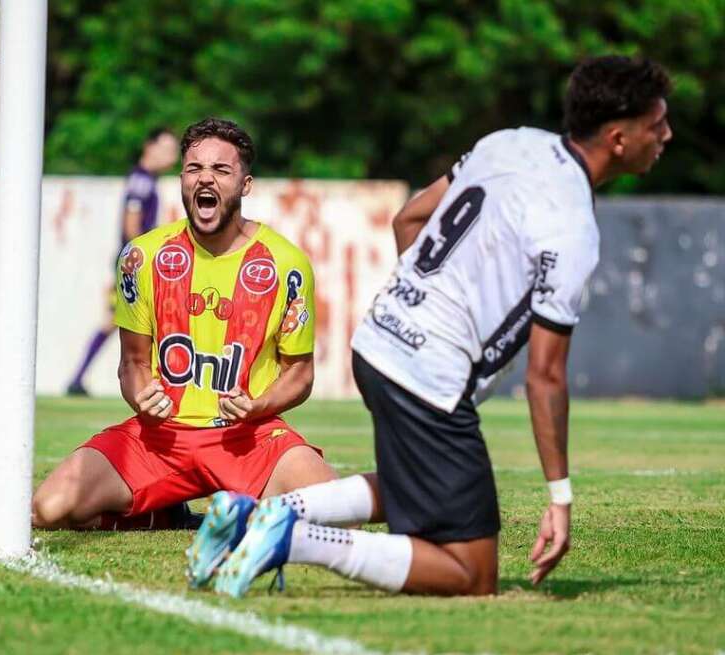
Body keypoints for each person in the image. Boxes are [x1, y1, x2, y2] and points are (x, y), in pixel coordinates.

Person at [196, 56, 673, 596]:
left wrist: (415, 309)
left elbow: (409, 218)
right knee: (471, 572)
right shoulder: (573, 229)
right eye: (657, 124)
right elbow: (546, 378)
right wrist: (559, 496)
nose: (666, 135)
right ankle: (290, 538)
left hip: (377, 341)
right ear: (617, 137)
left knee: (411, 485)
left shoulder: (508, 142)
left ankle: (252, 515)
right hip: (427, 376)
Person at [34, 117, 337, 539]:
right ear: (182, 178)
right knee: (50, 508)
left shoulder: (287, 264)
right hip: (161, 438)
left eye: (221, 170)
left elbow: (300, 373)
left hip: (249, 436)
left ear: (245, 185)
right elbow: (133, 363)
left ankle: (246, 508)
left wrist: (258, 406)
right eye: (194, 169)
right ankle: (166, 513)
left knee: (337, 513)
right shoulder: (142, 257)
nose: (205, 178)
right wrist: (141, 396)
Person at [66, 127, 180, 396]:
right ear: (149, 147)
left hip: (130, 262)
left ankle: (79, 379)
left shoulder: (145, 179)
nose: (172, 157)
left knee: (119, 320)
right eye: (168, 149)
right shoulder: (142, 182)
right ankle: (151, 384)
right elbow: (130, 225)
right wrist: (144, 259)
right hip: (135, 265)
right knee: (141, 321)